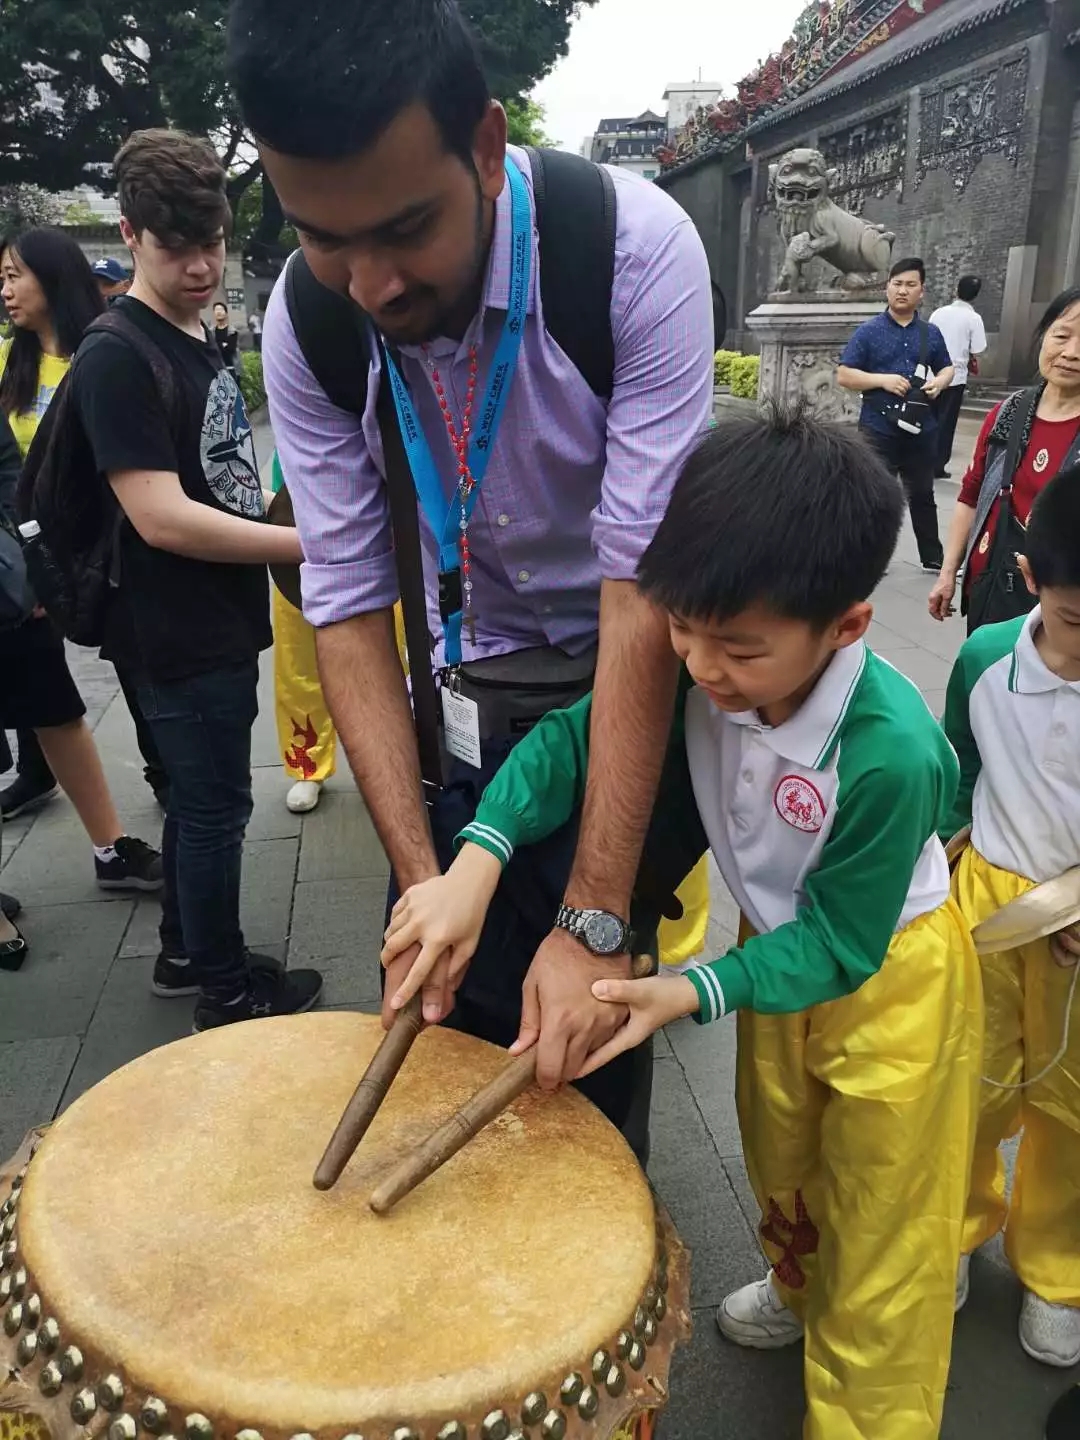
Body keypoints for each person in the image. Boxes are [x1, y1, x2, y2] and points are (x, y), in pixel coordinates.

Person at [383, 406, 982, 1440]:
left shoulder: (893, 753)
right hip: (769, 956)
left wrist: (685, 990)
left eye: (738, 650)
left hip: (893, 980)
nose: (700, 667)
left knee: (890, 1230)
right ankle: (802, 1289)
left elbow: (841, 942)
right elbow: (566, 746)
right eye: (683, 631)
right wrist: (473, 864)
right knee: (783, 1153)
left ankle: (871, 1410)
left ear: (845, 626)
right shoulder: (704, 657)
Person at [227, 0, 714, 1149]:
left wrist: (594, 914)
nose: (373, 285)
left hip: (617, 692)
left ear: (488, 146)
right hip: (458, 708)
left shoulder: (630, 256)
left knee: (581, 1069)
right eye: (322, 237)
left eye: (404, 228)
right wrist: (422, 888)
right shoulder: (313, 321)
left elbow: (640, 596)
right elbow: (345, 601)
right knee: (448, 1036)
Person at [69, 127, 323, 1026]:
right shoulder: (115, 354)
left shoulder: (189, 330)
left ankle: (186, 949)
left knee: (193, 799)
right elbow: (159, 515)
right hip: (173, 630)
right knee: (216, 806)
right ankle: (224, 988)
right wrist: (311, 546)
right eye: (179, 249)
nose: (204, 266)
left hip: (207, 619)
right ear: (131, 234)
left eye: (212, 244)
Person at [941, 466, 1080, 1371]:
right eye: (1077, 620)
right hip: (989, 899)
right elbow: (955, 759)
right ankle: (953, 1229)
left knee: (1072, 1105)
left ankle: (1060, 1272)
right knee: (969, 1081)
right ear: (1031, 579)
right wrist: (945, 844)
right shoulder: (986, 655)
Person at [0, 228, 164, 892]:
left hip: (112, 557)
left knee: (138, 684)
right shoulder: (8, 365)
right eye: (1, 278)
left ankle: (166, 790)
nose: (4, 290)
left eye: (14, 275)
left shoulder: (104, 353)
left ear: (54, 277)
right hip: (29, 560)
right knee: (50, 692)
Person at [928, 287, 1080, 635]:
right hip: (990, 585)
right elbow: (971, 494)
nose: (1071, 353)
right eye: (1061, 335)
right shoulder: (1008, 412)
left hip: (1062, 609)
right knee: (984, 681)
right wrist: (949, 573)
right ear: (1043, 336)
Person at [837, 256, 954, 573]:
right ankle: (870, 560)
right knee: (874, 496)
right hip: (878, 427)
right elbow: (844, 374)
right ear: (887, 288)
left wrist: (940, 382)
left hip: (920, 427)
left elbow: (946, 366)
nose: (903, 291)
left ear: (922, 291)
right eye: (897, 284)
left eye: (910, 285)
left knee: (922, 494)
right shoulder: (869, 332)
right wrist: (882, 380)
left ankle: (933, 558)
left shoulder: (930, 334)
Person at [929, 273, 987, 479]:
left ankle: (920, 460)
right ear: (976, 296)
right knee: (946, 423)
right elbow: (979, 348)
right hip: (956, 377)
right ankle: (937, 465)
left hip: (932, 374)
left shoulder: (938, 313)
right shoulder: (973, 318)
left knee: (928, 418)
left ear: (956, 290)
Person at [212, 301, 239, 376]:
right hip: (216, 369)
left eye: (221, 310)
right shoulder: (210, 332)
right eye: (216, 310)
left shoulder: (232, 331)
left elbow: (231, 349)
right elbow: (211, 349)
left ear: (226, 313)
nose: (218, 312)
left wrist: (217, 344)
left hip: (231, 368)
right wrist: (223, 344)